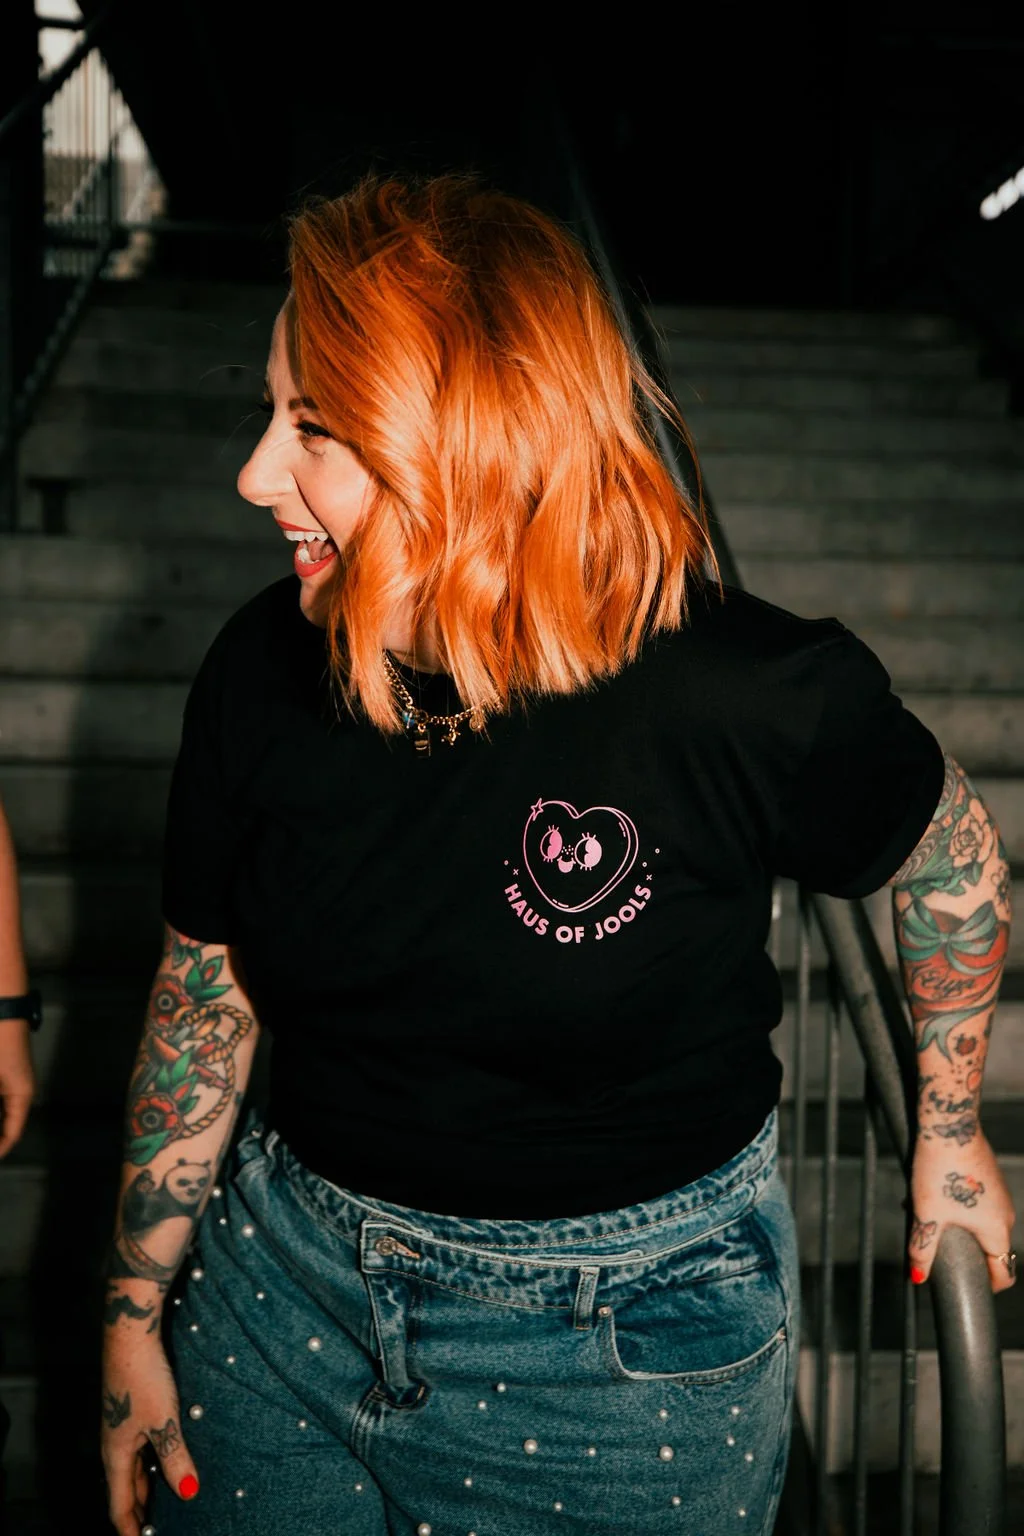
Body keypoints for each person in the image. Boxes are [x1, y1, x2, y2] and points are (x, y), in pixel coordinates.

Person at [100, 174, 1016, 1536]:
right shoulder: (260, 668)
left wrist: (950, 1131)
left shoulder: (731, 686)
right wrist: (131, 1311)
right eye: (271, 412)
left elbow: (948, 854)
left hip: (621, 1353)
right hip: (280, 1289)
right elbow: (204, 995)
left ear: (469, 443)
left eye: (314, 428)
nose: (252, 474)